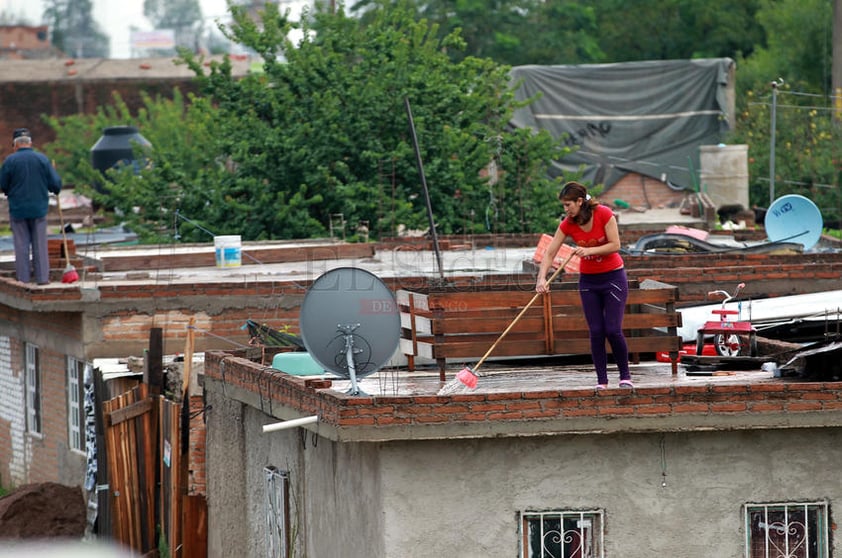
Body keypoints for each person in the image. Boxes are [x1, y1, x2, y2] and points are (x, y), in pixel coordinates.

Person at [535, 181, 632, 390]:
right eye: (563, 205)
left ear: (580, 201)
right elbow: (550, 252)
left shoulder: (604, 214)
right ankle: (602, 381)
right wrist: (541, 278)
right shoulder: (568, 223)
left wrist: (588, 251)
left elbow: (615, 245)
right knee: (596, 331)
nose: (566, 209)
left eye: (568, 204)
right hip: (589, 281)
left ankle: (625, 377)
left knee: (613, 329)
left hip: (613, 278)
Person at [0, 128, 62, 285]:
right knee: (40, 245)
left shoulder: (10, 161)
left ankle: (23, 280)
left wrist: (9, 191)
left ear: (15, 145)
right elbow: (55, 185)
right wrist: (53, 188)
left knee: (21, 246)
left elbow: (2, 185)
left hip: (18, 209)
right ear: (30, 143)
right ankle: (42, 278)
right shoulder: (42, 160)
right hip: (39, 209)